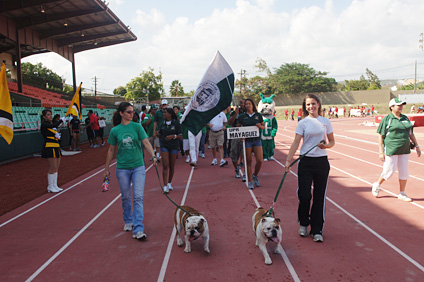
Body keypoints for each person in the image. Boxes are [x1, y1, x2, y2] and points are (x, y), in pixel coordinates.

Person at [285, 94, 335, 242]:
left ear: (318, 104)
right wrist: (288, 161)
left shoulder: (325, 121)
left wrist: (326, 146)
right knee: (305, 195)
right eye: (308, 104)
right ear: (305, 106)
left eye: (313, 103)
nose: (311, 107)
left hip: (321, 162)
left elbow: (332, 141)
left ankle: (317, 229)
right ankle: (303, 223)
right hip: (305, 162)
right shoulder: (303, 123)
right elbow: (295, 142)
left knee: (319, 197)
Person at [104, 102, 157, 240]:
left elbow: (145, 142)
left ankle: (138, 228)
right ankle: (128, 220)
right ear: (121, 113)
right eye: (128, 112)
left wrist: (153, 155)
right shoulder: (115, 131)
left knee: (138, 197)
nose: (131, 114)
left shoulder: (137, 127)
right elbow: (111, 150)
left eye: (133, 112)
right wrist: (106, 168)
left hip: (138, 165)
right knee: (126, 197)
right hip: (122, 167)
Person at [371, 98, 421, 202]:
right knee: (389, 171)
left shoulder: (405, 118)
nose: (401, 107)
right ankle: (377, 184)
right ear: (391, 107)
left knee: (404, 172)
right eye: (398, 105)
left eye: (402, 105)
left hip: (405, 149)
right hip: (391, 149)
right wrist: (381, 152)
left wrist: (417, 146)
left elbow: (411, 133)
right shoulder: (387, 119)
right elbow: (381, 136)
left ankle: (402, 193)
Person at [237, 98, 265, 189]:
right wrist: (241, 135)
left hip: (257, 140)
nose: (248, 105)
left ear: (253, 105)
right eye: (246, 104)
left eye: (249, 103)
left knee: (260, 160)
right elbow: (237, 128)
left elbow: (263, 126)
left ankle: (255, 175)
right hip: (247, 141)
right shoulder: (242, 116)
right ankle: (250, 181)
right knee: (248, 161)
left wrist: (260, 126)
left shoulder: (258, 115)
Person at [157, 108, 182, 192]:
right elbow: (160, 134)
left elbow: (181, 136)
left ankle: (169, 183)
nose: (164, 114)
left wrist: (173, 136)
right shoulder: (162, 123)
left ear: (170, 114)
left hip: (174, 146)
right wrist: (157, 134)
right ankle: (164, 186)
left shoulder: (176, 123)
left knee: (171, 166)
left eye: (165, 112)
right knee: (165, 164)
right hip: (164, 146)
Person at [40, 109, 64, 193]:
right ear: (44, 117)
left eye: (51, 114)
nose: (50, 116)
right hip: (50, 147)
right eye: (48, 115)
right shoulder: (44, 124)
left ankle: (55, 185)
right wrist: (61, 120)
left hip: (56, 146)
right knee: (52, 168)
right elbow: (53, 125)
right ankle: (50, 186)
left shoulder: (51, 125)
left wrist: (56, 135)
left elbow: (53, 127)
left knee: (56, 168)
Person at [228, 99, 245, 179]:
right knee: (234, 153)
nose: (243, 105)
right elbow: (230, 122)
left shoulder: (248, 113)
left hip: (245, 135)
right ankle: (236, 168)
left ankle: (246, 173)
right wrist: (236, 114)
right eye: (241, 103)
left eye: (245, 103)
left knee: (246, 154)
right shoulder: (235, 112)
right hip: (236, 135)